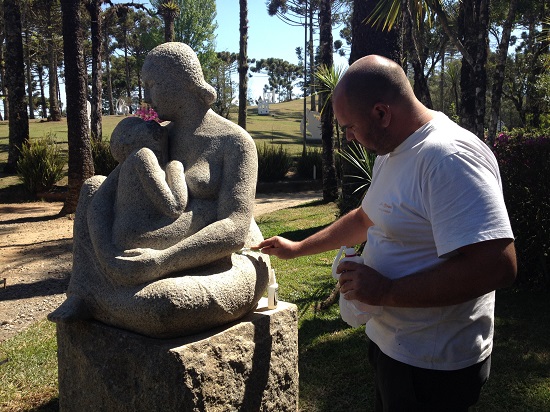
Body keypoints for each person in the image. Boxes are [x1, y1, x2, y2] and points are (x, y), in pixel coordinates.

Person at [256, 55, 517, 411]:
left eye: (349, 127)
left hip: (434, 367)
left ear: (381, 113)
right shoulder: (392, 150)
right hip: (394, 348)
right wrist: (297, 247)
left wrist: (387, 290)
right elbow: (366, 218)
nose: (347, 137)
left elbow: (496, 266)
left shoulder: (448, 157)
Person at [49, 42, 269, 338]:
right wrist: (109, 256)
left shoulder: (234, 143)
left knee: (165, 304)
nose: (147, 96)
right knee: (93, 185)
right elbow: (99, 194)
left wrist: (162, 262)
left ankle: (108, 298)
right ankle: (86, 289)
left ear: (179, 81)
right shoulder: (157, 138)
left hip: (218, 259)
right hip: (147, 245)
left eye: (152, 85)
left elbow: (235, 227)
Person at [109, 116, 190, 251]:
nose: (151, 123)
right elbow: (175, 206)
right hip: (139, 237)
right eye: (140, 124)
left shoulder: (133, 163)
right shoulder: (142, 155)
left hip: (129, 235)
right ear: (127, 139)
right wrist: (175, 168)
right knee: (205, 213)